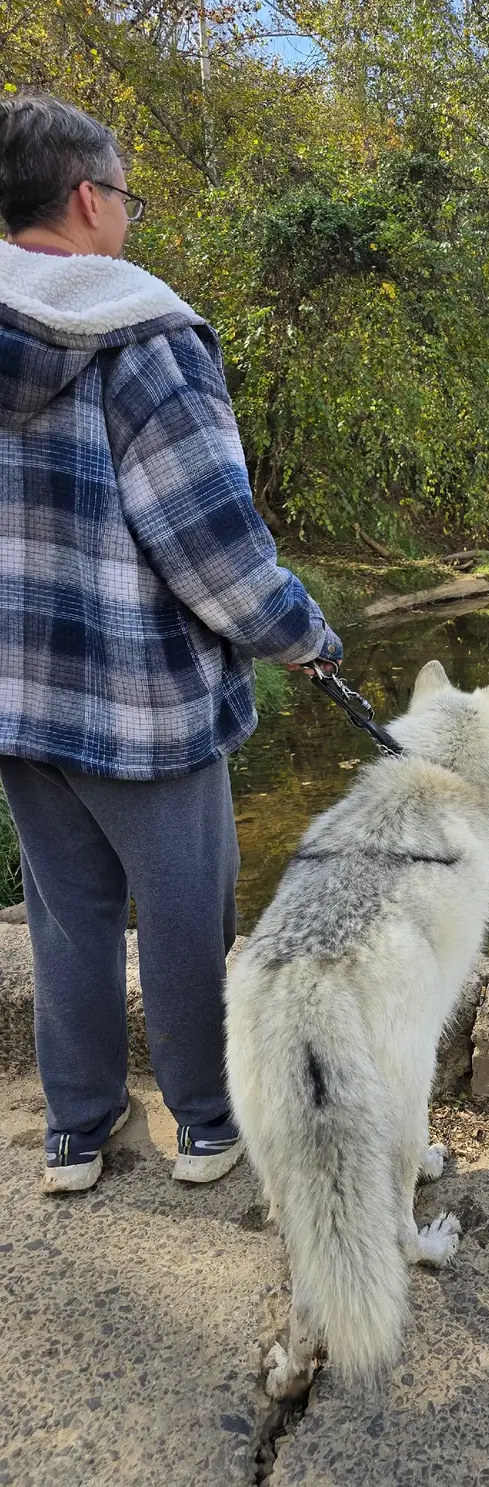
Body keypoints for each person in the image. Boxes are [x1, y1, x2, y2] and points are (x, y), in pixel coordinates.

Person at [0, 91, 342, 1192]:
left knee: (65, 911)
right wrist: (301, 635)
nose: (130, 221)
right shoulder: (139, 334)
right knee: (189, 914)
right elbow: (213, 546)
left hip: (14, 692)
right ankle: (205, 1124)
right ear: (89, 198)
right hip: (140, 698)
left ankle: (77, 1132)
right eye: (126, 197)